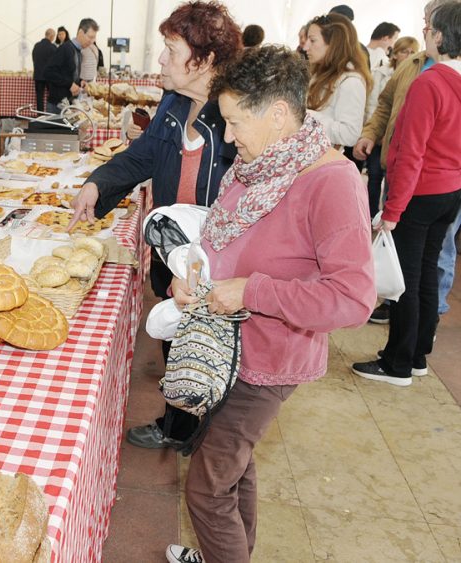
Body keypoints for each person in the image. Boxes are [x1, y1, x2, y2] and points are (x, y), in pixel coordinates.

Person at [164, 45, 375, 563]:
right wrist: (190, 281)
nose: (228, 136)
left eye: (235, 122)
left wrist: (251, 290)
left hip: (268, 360)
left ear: (278, 116)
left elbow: (352, 298)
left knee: (207, 489)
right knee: (234, 469)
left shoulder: (331, 181)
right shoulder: (261, 163)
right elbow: (223, 242)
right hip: (228, 348)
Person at [70, 1, 242, 451]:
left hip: (216, 263)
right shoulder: (173, 101)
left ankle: (205, 439)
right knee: (174, 341)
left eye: (170, 50)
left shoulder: (237, 117)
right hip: (171, 249)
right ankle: (176, 426)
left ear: (203, 60)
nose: (161, 61)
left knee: (208, 354)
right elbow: (143, 155)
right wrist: (97, 183)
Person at [352, 2, 461, 387]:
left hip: (419, 192)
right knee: (426, 274)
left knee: (406, 281)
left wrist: (393, 209)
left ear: (441, 36)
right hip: (449, 191)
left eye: (429, 29)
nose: (425, 34)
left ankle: (397, 362)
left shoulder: (429, 83)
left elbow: (411, 151)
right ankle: (416, 357)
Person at [361, 36, 420, 218]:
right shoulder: (384, 72)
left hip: (407, 151)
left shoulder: (422, 69)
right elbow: (380, 104)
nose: (408, 55)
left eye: (412, 52)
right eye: (404, 51)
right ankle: (371, 214)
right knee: (376, 177)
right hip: (384, 139)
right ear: (395, 54)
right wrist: (370, 132)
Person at [304, 13, 372, 151]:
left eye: (312, 40)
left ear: (333, 44)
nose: (306, 47)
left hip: (322, 162)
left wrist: (305, 115)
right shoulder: (319, 72)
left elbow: (349, 134)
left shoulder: (351, 82)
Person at [44, 18, 99, 113]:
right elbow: (48, 72)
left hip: (66, 105)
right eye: (90, 37)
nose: (92, 41)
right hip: (56, 106)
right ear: (81, 32)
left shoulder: (78, 51)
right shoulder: (65, 48)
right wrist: (69, 84)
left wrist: (80, 81)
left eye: (94, 38)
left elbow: (68, 73)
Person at [32, 28, 58, 111]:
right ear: (51, 36)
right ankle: (50, 114)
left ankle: (40, 116)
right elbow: (56, 63)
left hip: (38, 74)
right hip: (49, 76)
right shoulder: (53, 47)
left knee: (39, 97)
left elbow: (34, 58)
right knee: (52, 96)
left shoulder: (36, 45)